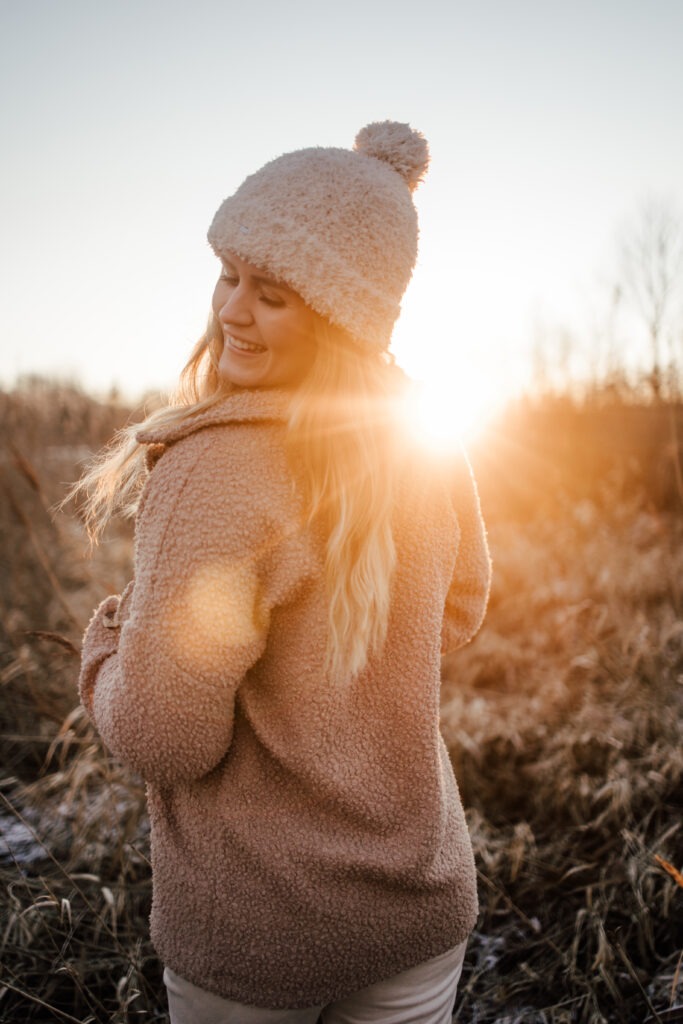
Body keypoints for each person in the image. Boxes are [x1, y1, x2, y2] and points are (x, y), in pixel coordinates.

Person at [76, 121, 491, 1024]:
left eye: (272, 293)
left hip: (259, 933)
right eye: (229, 275)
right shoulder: (425, 440)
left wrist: (106, 649)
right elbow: (457, 610)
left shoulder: (213, 468)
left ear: (340, 316)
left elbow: (163, 737)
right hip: (417, 903)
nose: (231, 310)